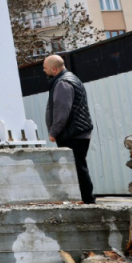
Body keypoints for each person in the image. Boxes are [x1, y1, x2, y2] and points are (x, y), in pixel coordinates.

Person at [44, 54, 95, 204]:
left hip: (73, 133)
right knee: (78, 166)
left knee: (78, 167)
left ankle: (88, 200)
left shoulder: (62, 83)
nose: (44, 71)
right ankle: (85, 199)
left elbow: (61, 111)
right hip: (76, 131)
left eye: (45, 68)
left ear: (54, 69)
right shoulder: (70, 78)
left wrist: (54, 132)